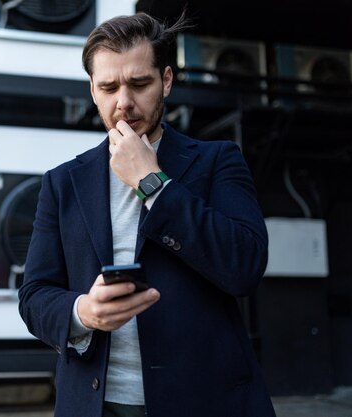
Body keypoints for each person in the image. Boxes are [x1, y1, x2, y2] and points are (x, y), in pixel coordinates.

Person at [18, 12, 276, 417]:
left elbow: (244, 266)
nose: (123, 102)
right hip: (94, 403)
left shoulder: (218, 161)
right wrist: (83, 311)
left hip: (204, 401)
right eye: (108, 87)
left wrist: (152, 181)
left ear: (166, 81)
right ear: (92, 90)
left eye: (139, 83)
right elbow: (34, 296)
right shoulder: (62, 182)